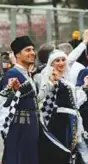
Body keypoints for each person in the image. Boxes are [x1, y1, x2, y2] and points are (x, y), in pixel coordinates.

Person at [0, 36, 39, 164]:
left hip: (30, 127)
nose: (32, 53)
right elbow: (5, 104)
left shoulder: (27, 74)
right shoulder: (12, 74)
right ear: (17, 54)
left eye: (33, 49)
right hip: (18, 129)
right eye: (27, 50)